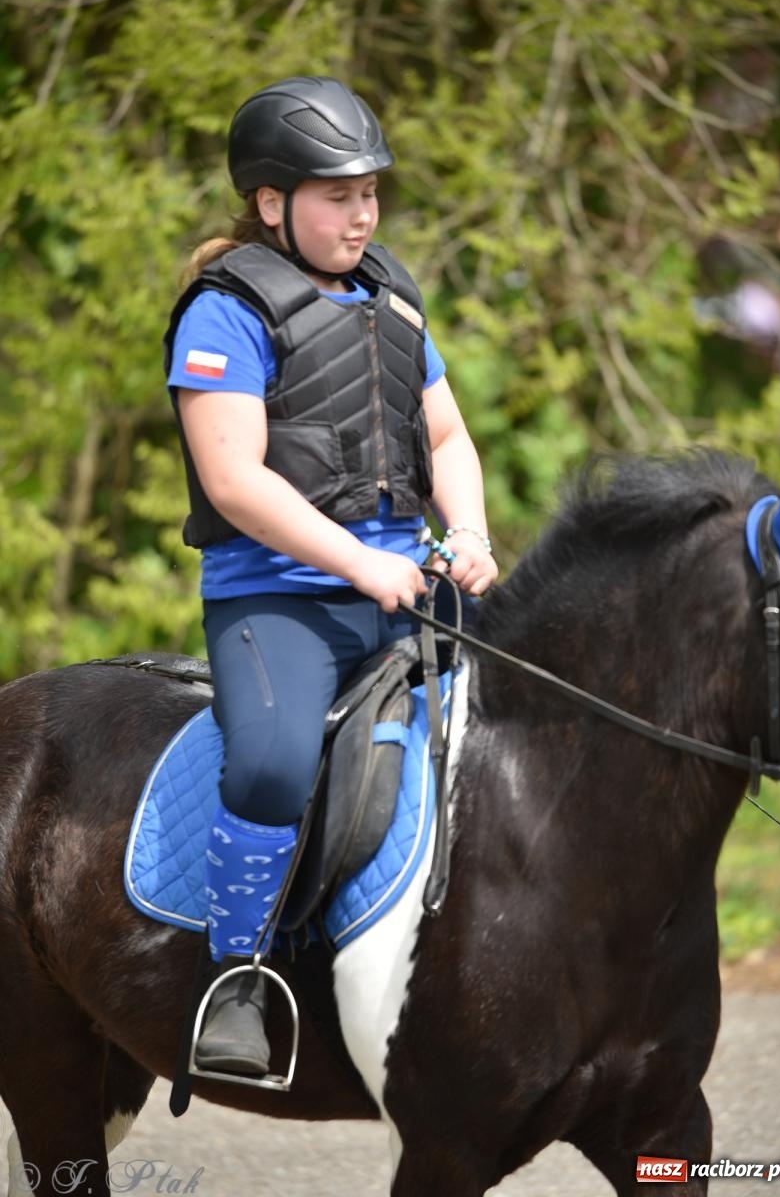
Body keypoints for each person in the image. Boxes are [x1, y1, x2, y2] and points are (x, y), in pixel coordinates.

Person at [164, 75, 498, 1077]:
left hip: (405, 585)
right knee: (268, 763)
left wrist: (470, 529)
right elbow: (233, 481)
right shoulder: (223, 315)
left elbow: (444, 435)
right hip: (278, 604)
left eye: (371, 192)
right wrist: (360, 562)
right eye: (338, 194)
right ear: (272, 202)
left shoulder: (394, 296)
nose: (364, 212)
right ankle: (236, 977)